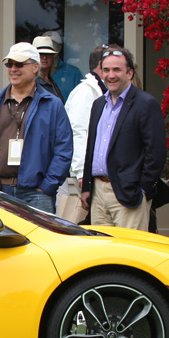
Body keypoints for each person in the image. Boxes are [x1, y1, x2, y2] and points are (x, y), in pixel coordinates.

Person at [0, 42, 73, 212]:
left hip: (37, 193)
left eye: (19, 64)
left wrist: (47, 186)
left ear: (35, 67)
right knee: (1, 239)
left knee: (38, 240)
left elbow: (63, 148)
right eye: (10, 64)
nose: (13, 69)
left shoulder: (52, 104)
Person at [80, 46, 166, 231]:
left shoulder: (145, 104)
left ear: (130, 73)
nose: (111, 75)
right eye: (106, 70)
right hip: (98, 194)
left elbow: (156, 152)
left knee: (130, 253)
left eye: (117, 70)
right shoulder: (98, 104)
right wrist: (87, 187)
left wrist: (142, 189)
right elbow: (91, 148)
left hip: (129, 194)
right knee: (102, 254)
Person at [64, 44, 109, 218]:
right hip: (85, 178)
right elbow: (78, 133)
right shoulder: (85, 92)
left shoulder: (102, 90)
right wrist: (82, 174)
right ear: (100, 65)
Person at [33, 34, 75, 100]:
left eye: (48, 54)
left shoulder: (51, 81)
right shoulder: (31, 83)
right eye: (40, 54)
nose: (44, 57)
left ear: (53, 57)